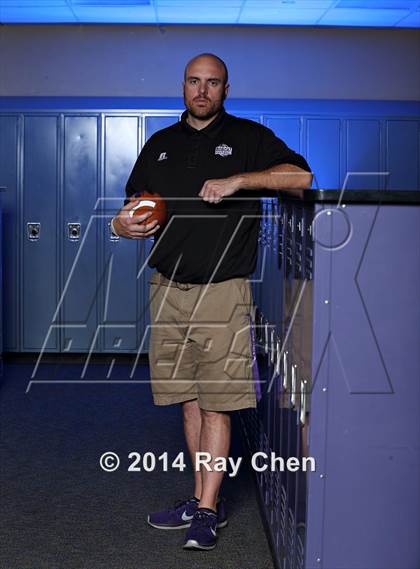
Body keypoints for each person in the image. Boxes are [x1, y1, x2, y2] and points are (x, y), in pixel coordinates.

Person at [111, 53, 312, 551]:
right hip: (167, 290)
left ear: (226, 89)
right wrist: (120, 226)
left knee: (219, 406)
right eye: (194, 82)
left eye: (213, 83)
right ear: (182, 86)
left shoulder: (247, 138)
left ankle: (205, 511)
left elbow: (301, 178)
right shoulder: (159, 145)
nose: (202, 91)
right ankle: (205, 496)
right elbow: (132, 204)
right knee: (190, 401)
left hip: (223, 291)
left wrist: (240, 179)